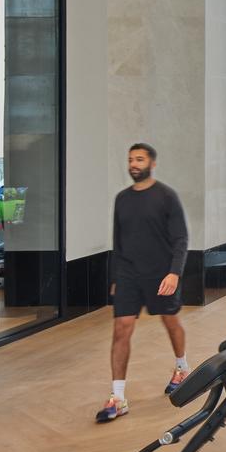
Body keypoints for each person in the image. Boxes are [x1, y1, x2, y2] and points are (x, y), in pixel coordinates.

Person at [97, 143, 190, 424]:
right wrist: (115, 278)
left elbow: (181, 239)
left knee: (170, 321)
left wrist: (174, 273)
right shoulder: (122, 199)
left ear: (152, 163)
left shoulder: (166, 196)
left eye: (139, 159)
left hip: (161, 273)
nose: (134, 164)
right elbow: (118, 240)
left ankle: (182, 367)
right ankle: (118, 397)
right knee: (121, 328)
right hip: (128, 275)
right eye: (130, 160)